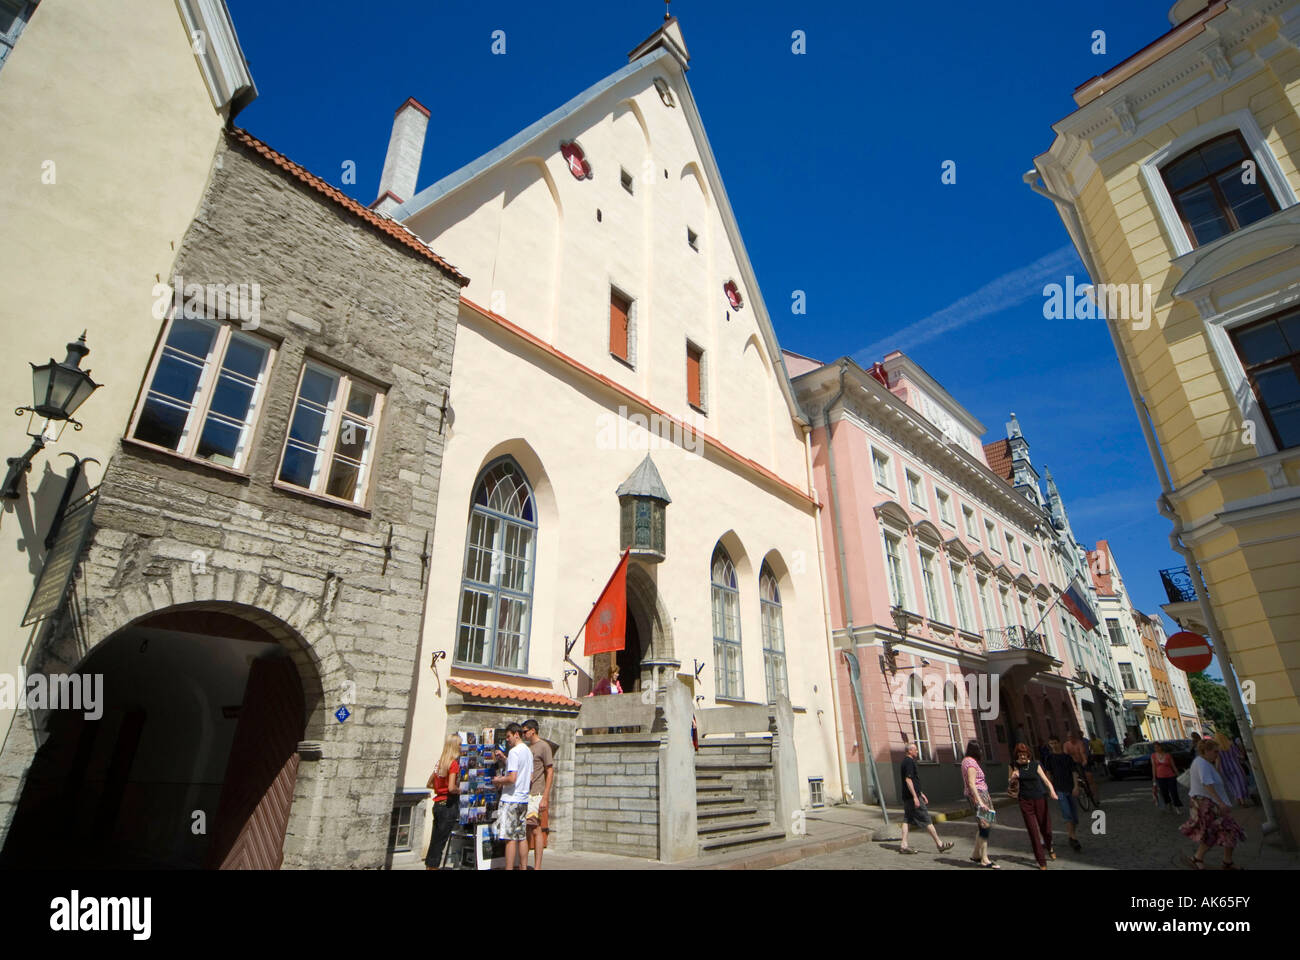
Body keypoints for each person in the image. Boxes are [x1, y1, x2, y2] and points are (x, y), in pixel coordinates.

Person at [1180, 738, 1245, 870]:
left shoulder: (1204, 762)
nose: (1217, 754)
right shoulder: (1202, 763)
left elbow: (1215, 777)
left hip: (1207, 802)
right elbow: (1207, 783)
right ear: (1206, 751)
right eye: (1215, 752)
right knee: (1217, 830)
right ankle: (1199, 858)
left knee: (1226, 831)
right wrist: (1220, 803)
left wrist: (1217, 763)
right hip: (1206, 803)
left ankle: (1226, 862)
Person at [898, 742, 955, 855]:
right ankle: (939, 844)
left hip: (907, 796)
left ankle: (903, 845)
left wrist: (921, 793)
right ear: (909, 751)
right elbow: (908, 780)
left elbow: (913, 781)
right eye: (915, 749)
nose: (917, 751)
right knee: (926, 819)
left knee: (907, 820)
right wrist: (915, 797)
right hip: (912, 797)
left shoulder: (905, 762)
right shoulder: (909, 762)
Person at [1010, 742, 1058, 869]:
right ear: (1017, 755)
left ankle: (1049, 847)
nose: (1022, 757)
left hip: (1039, 798)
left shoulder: (1035, 765)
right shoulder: (1014, 766)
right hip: (1025, 801)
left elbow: (1045, 780)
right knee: (1033, 831)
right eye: (1020, 755)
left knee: (1046, 829)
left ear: (1028, 754)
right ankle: (1041, 861)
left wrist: (1052, 791)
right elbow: (1011, 785)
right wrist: (1013, 777)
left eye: (1024, 754)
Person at [491, 723, 533, 870]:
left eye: (508, 736)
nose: (507, 740)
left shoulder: (515, 751)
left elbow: (512, 778)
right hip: (522, 799)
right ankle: (523, 867)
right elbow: (528, 775)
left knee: (509, 839)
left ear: (516, 734)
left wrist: (498, 781)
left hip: (511, 800)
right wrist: (505, 759)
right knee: (521, 837)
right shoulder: (527, 752)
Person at [424, 733, 462, 869]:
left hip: (438, 804)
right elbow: (451, 787)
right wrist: (459, 790)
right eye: (459, 744)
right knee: (440, 842)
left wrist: (439, 788)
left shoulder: (440, 763)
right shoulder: (453, 764)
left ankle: (429, 866)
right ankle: (433, 867)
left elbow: (429, 783)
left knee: (435, 840)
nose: (461, 747)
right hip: (447, 804)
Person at [521, 719, 555, 870]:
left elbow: (550, 770)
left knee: (536, 829)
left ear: (532, 731)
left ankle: (537, 866)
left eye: (525, 731)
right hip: (526, 793)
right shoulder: (528, 747)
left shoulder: (543, 747)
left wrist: (545, 796)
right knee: (527, 829)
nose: (523, 734)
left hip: (537, 793)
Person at [961, 740, 998, 868]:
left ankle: (976, 854)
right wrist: (980, 801)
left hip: (981, 795)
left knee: (983, 826)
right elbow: (972, 783)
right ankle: (984, 858)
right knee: (984, 826)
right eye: (980, 749)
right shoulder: (970, 763)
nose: (981, 751)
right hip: (978, 796)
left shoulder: (968, 761)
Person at [1045, 738, 1083, 852]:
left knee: (1075, 817)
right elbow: (1048, 774)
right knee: (1067, 814)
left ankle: (1072, 835)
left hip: (1070, 788)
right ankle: (1073, 838)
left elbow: (1074, 772)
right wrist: (1051, 789)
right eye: (1051, 743)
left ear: (1059, 743)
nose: (1053, 745)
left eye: (1055, 743)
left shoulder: (1067, 757)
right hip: (1059, 789)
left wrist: (1076, 786)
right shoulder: (1049, 758)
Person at [1213, 732, 1249, 806]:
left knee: (1231, 784)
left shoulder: (1217, 749)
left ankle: (1238, 799)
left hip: (1225, 769)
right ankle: (1242, 801)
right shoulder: (1231, 745)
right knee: (1239, 783)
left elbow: (1218, 760)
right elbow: (1239, 755)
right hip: (1235, 766)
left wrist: (1216, 770)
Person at [1151, 741, 1183, 815]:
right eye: (1155, 747)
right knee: (1164, 792)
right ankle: (1168, 803)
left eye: (1157, 747)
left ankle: (1177, 807)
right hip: (1160, 777)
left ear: (1161, 747)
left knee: (1173, 792)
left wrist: (1178, 774)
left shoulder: (1168, 755)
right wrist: (1154, 777)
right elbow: (1153, 767)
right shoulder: (1153, 756)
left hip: (1170, 776)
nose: (1156, 748)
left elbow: (1173, 765)